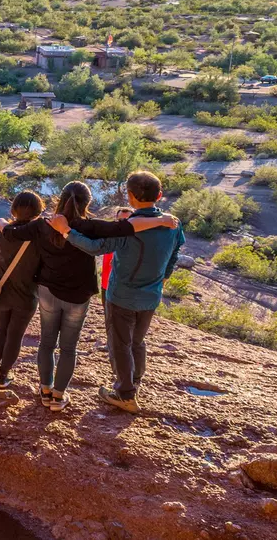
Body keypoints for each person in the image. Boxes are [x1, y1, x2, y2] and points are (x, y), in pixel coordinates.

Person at [0, 182, 176, 411]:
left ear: (60, 199)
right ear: (88, 203)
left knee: (47, 343)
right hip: (78, 296)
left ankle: (45, 391)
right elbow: (127, 228)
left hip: (48, 291)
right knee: (68, 348)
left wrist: (1, 222)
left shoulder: (43, 225)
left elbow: (10, 233)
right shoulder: (90, 227)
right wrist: (160, 220)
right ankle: (58, 398)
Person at [53, 171, 187, 414]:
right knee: (137, 341)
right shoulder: (173, 224)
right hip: (151, 295)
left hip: (122, 295)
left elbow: (95, 247)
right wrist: (163, 278)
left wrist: (67, 232)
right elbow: (175, 253)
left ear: (131, 197)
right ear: (159, 195)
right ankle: (134, 382)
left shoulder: (128, 230)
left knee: (120, 345)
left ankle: (125, 394)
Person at [0, 191, 45, 389]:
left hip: (0, 292)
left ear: (13, 210)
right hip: (26, 295)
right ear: (38, 212)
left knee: (0, 329)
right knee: (15, 335)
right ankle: (3, 376)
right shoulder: (40, 238)